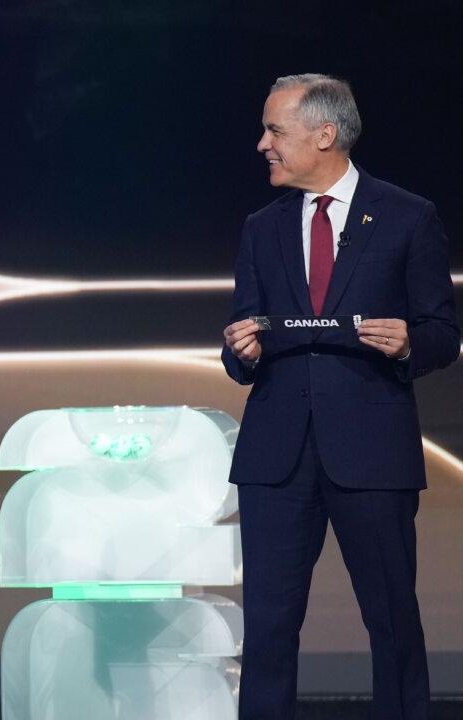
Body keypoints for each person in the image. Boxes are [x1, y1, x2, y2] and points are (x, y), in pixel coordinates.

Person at [222, 74, 458, 720]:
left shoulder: (407, 216)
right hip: (276, 456)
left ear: (325, 135)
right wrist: (240, 351)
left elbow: (443, 335)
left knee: (392, 620)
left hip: (372, 452)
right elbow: (241, 339)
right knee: (268, 629)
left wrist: (409, 343)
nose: (263, 144)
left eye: (275, 130)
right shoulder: (262, 228)